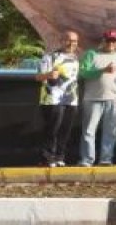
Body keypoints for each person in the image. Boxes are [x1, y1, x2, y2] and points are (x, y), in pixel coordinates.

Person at [77, 29, 116, 166]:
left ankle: (106, 159)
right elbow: (83, 73)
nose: (110, 43)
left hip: (113, 99)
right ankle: (87, 160)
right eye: (108, 40)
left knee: (111, 131)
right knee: (89, 131)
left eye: (114, 41)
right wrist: (102, 70)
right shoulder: (91, 54)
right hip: (92, 98)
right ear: (103, 41)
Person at [36, 30, 81, 167]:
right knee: (52, 129)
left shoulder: (76, 58)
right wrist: (49, 75)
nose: (71, 44)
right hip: (52, 99)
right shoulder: (50, 57)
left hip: (71, 99)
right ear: (62, 40)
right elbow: (38, 77)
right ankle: (47, 157)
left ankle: (60, 157)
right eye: (69, 40)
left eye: (74, 41)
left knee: (65, 130)